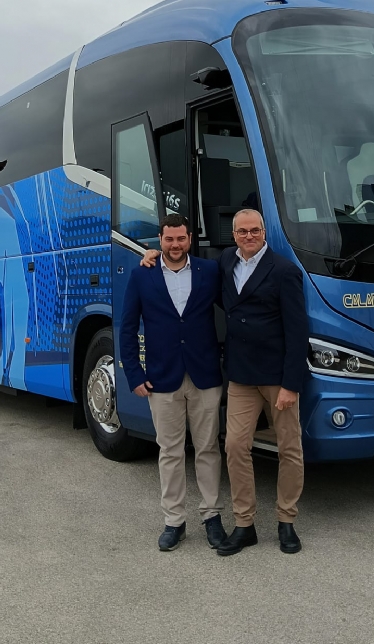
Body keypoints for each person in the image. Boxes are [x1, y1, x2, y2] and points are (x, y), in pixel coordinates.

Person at [141, 208, 309, 556]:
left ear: (264, 232)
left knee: (289, 449)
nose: (249, 236)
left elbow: (298, 331)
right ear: (233, 236)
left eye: (255, 230)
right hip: (242, 375)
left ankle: (286, 520)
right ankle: (245, 524)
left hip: (277, 376)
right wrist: (155, 254)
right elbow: (182, 261)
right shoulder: (225, 263)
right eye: (242, 231)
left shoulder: (284, 271)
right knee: (234, 447)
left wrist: (292, 384)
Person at [119, 214, 227, 552]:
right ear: (160, 240)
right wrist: (134, 375)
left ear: (190, 239)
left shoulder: (209, 271)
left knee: (208, 448)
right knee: (170, 452)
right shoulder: (142, 275)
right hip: (162, 379)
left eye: (181, 238)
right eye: (169, 239)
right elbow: (127, 327)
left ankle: (212, 516)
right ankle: (174, 521)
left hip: (204, 376)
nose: (175, 245)